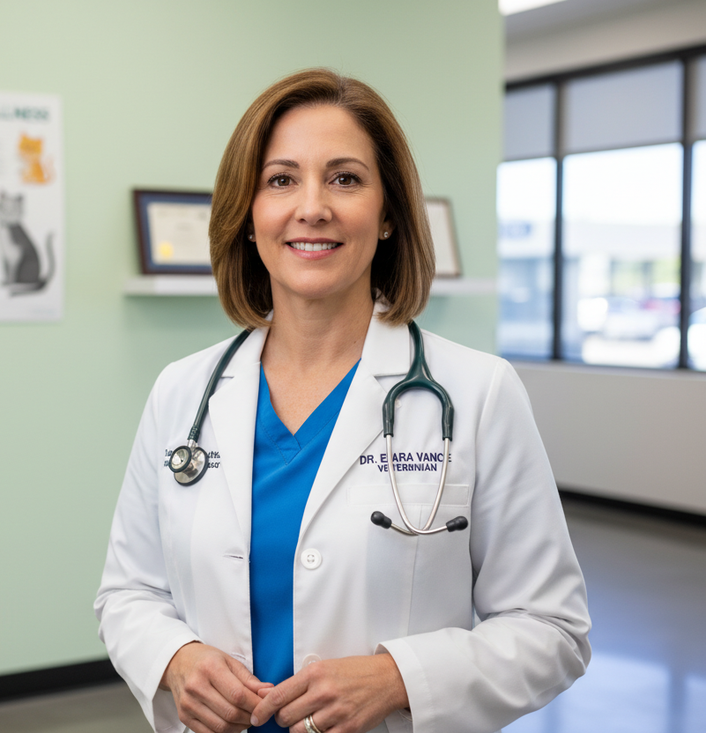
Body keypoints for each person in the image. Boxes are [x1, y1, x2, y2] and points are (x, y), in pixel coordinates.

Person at [95, 69, 590, 733]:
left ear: (387, 215)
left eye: (345, 178)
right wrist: (176, 658)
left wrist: (398, 677)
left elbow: (553, 628)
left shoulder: (477, 392)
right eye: (281, 179)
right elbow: (128, 591)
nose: (313, 206)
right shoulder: (182, 392)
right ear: (248, 213)